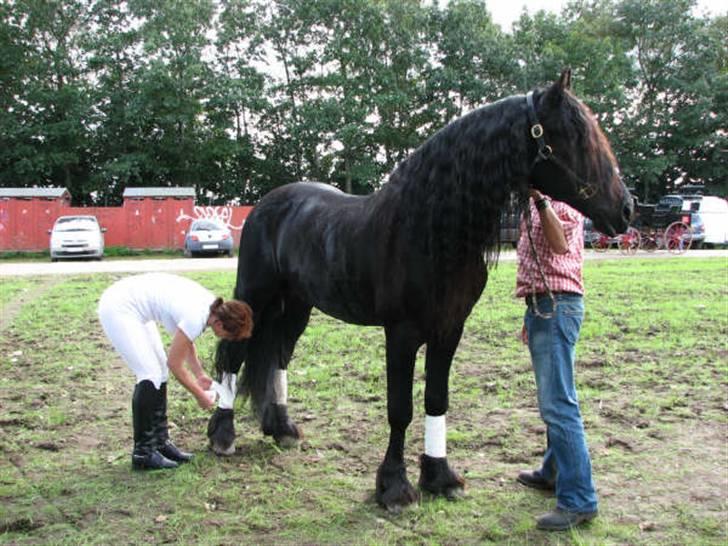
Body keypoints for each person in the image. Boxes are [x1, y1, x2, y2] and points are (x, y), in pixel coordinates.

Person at [97, 273, 253, 471]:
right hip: (120, 307)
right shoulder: (197, 315)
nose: (226, 339)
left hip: (137, 309)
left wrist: (199, 374)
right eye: (228, 336)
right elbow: (175, 364)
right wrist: (199, 395)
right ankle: (143, 452)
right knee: (150, 373)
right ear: (220, 324)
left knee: (159, 371)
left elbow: (185, 341)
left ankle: (160, 443)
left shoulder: (211, 309)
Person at [515, 189, 598, 531]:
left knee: (558, 405)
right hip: (543, 305)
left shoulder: (563, 200)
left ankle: (579, 500)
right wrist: (530, 315)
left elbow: (560, 244)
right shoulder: (537, 201)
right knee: (555, 400)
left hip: (557, 304)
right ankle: (551, 471)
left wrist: (540, 200)